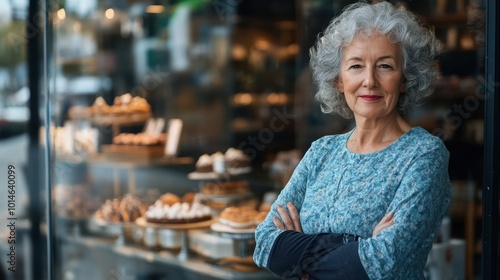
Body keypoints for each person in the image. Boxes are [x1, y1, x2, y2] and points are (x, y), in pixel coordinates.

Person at [253, 1, 451, 279]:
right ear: (339, 80)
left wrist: (298, 254)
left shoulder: (423, 155)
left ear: (405, 78)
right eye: (356, 65)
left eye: (385, 66)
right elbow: (264, 244)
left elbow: (382, 261)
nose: (369, 80)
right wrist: (354, 245)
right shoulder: (321, 151)